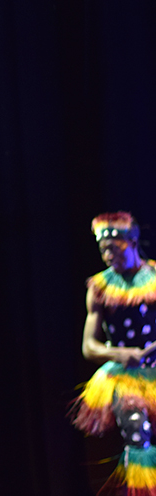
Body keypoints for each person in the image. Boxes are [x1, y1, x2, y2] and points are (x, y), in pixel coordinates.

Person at [73, 212, 156, 495]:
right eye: (102, 250)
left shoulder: (154, 278)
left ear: (131, 241)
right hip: (125, 378)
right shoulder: (98, 288)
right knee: (138, 440)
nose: (107, 255)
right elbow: (89, 347)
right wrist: (121, 354)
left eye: (113, 247)